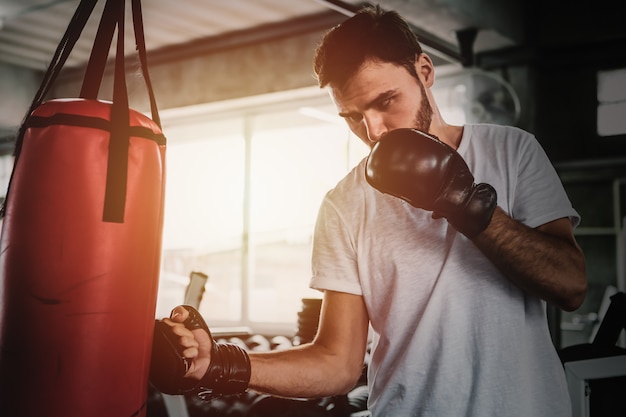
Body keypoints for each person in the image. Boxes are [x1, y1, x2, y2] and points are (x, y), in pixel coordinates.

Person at [155, 5, 587, 416]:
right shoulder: (345, 203)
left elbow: (570, 285)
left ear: (424, 71)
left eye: (385, 101)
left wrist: (465, 202)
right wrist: (221, 365)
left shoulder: (511, 150)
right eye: (351, 117)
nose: (374, 131)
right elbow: (337, 362)